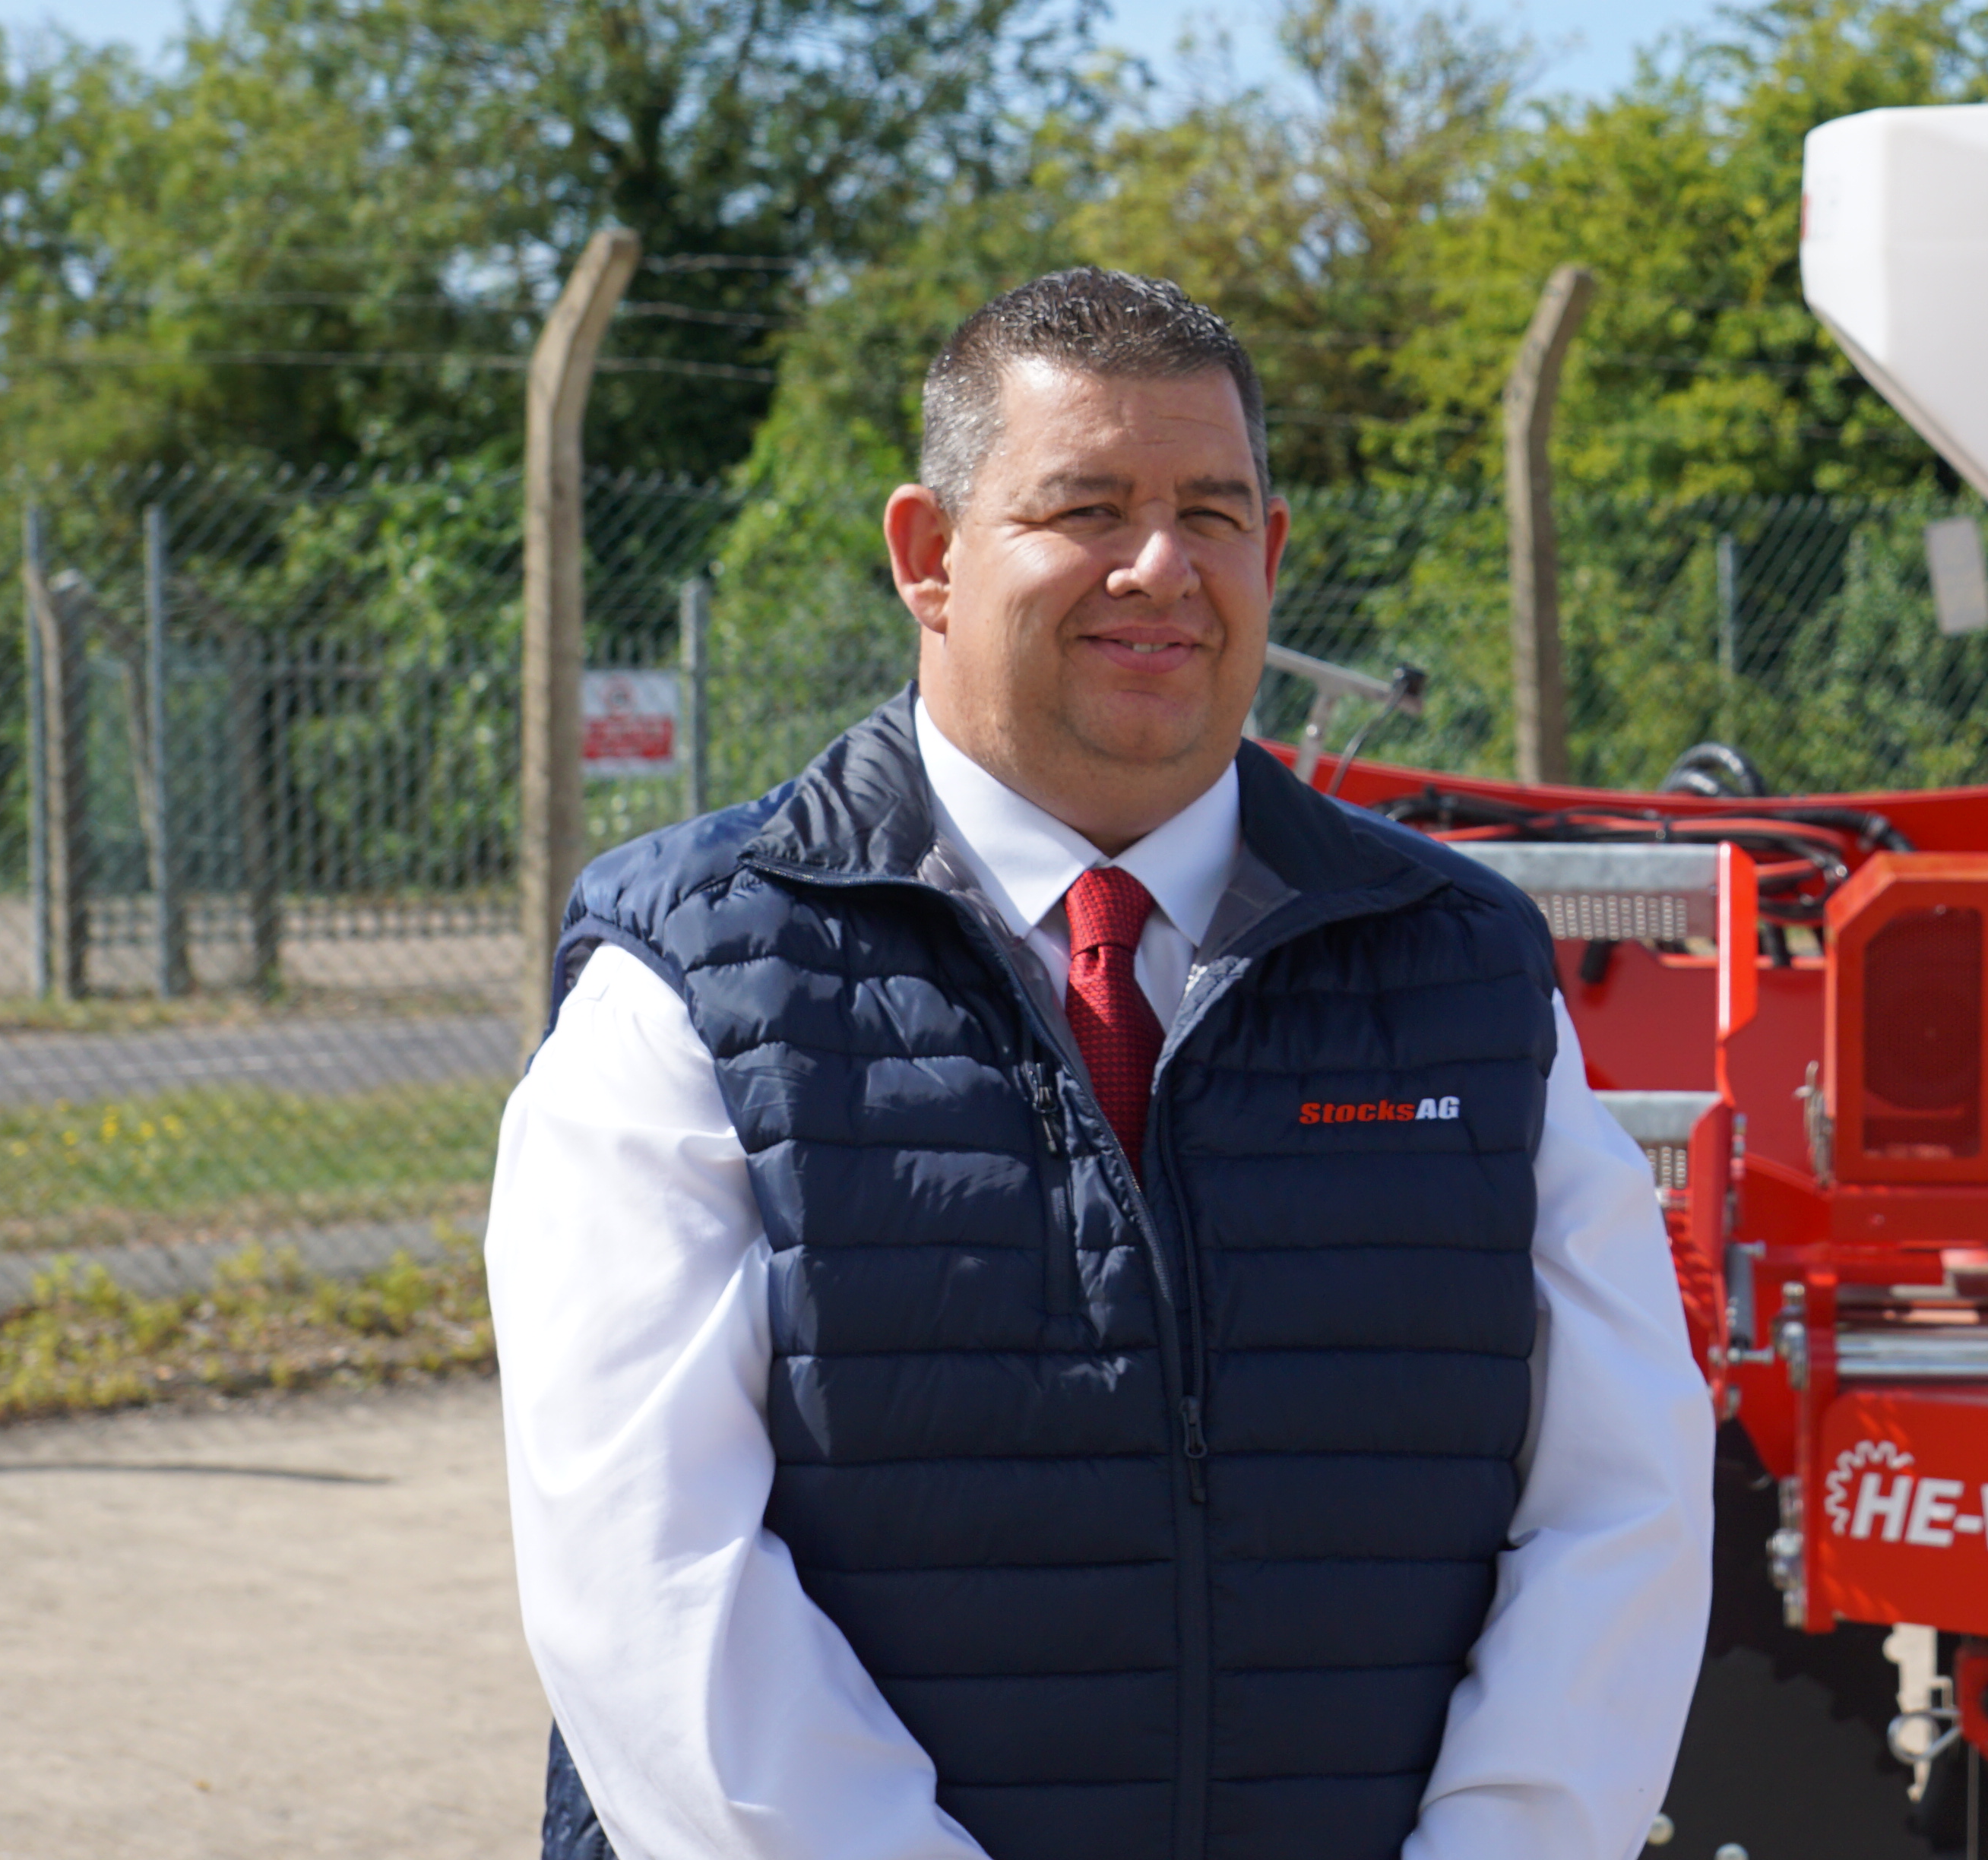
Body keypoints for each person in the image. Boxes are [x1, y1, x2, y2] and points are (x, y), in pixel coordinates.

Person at [490, 267, 1713, 1860]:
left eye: (1214, 510)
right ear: (928, 555)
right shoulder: (692, 983)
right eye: (1085, 506)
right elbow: (643, 1573)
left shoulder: (1463, 965)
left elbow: (1624, 1499)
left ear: (1271, 554)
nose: (1162, 566)